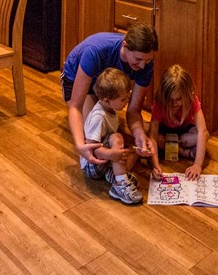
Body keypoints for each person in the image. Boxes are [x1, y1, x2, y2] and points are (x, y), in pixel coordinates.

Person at [61, 22, 158, 167]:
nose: (143, 65)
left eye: (148, 60)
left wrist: (139, 134)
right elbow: (76, 106)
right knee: (94, 132)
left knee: (111, 134)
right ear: (125, 46)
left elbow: (134, 109)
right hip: (76, 80)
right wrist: (80, 146)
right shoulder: (95, 51)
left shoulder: (145, 63)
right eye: (138, 59)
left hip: (107, 85)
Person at [80, 67, 150, 205]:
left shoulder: (110, 109)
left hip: (103, 159)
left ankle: (115, 177)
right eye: (123, 99)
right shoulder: (98, 117)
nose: (126, 102)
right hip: (91, 164)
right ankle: (121, 184)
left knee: (129, 151)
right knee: (117, 137)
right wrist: (111, 154)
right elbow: (90, 149)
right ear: (106, 101)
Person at [149, 64, 209, 180]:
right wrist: (155, 166)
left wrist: (197, 165)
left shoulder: (191, 100)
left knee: (200, 138)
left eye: (179, 99)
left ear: (186, 95)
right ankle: (183, 152)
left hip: (184, 131)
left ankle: (178, 150)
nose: (174, 103)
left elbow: (203, 131)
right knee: (155, 139)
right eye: (170, 100)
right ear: (164, 96)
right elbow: (152, 135)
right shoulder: (160, 102)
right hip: (165, 131)